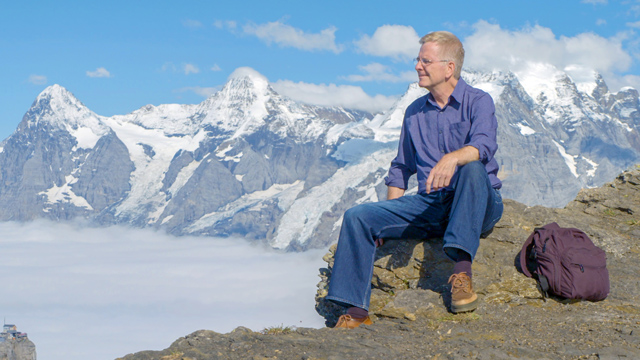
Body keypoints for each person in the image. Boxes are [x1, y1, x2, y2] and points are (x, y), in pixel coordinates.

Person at [326, 31, 504, 329]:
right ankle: (355, 310)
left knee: (473, 168)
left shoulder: (479, 101)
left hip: (479, 202)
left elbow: (484, 145)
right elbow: (401, 168)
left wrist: (453, 157)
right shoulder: (414, 113)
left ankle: (461, 275)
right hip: (431, 205)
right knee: (357, 216)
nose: (418, 66)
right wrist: (387, 219)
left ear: (449, 67)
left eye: (425, 60)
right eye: (417, 60)